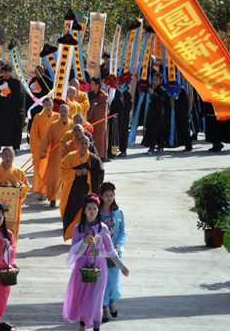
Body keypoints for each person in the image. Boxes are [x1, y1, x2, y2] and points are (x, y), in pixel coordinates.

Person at [63, 194, 129, 331]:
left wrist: (121, 266)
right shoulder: (78, 228)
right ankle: (83, 325)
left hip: (99, 267)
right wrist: (84, 242)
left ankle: (96, 326)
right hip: (82, 267)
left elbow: (110, 250)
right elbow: (74, 251)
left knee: (96, 298)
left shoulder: (103, 228)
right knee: (83, 296)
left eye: (94, 209)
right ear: (84, 211)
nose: (92, 211)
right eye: (89, 209)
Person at [60, 136, 104, 241]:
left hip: (87, 190)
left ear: (89, 145)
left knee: (84, 213)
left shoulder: (93, 159)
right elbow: (62, 170)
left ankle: (85, 236)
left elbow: (100, 175)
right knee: (72, 213)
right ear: (78, 144)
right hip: (73, 191)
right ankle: (73, 235)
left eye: (86, 143)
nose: (84, 145)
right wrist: (74, 173)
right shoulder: (70, 157)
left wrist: (88, 173)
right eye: (81, 143)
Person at [99, 182, 126, 323]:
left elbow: (122, 232)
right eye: (106, 195)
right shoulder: (97, 213)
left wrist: (118, 245)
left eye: (111, 195)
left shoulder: (118, 213)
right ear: (101, 197)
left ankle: (112, 302)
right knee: (102, 281)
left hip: (115, 253)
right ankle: (104, 308)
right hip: (100, 253)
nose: (109, 198)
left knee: (114, 281)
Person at [37, 104, 74, 208]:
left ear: (68, 113)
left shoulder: (72, 125)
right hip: (55, 154)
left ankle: (66, 199)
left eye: (64, 112)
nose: (62, 114)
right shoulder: (53, 125)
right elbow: (46, 139)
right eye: (61, 111)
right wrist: (42, 152)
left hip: (68, 154)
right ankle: (52, 198)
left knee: (66, 177)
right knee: (53, 176)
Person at [29, 98, 59, 200]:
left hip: (53, 148)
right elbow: (33, 134)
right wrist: (40, 147)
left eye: (50, 105)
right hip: (42, 148)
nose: (48, 107)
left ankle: (49, 191)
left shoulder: (57, 116)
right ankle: (41, 191)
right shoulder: (38, 117)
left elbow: (59, 133)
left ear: (53, 105)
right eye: (46, 105)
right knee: (40, 170)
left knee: (51, 172)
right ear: (43, 106)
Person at [0, 64, 23, 154]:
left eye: (7, 72)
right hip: (1, 109)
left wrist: (8, 94)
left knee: (15, 127)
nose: (5, 74)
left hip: (13, 110)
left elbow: (19, 96)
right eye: (3, 72)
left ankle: (16, 147)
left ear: (10, 72)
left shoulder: (16, 82)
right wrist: (0, 94)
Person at [141, 73, 167, 155]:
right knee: (151, 130)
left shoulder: (162, 90)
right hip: (151, 113)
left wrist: (153, 94)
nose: (154, 81)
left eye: (156, 80)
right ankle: (155, 146)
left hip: (158, 114)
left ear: (160, 81)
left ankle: (153, 147)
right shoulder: (151, 88)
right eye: (153, 79)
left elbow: (161, 102)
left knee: (156, 131)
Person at [163, 82, 192, 152]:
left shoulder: (181, 90)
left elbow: (184, 104)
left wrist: (175, 105)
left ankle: (188, 146)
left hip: (180, 113)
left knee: (183, 126)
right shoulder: (166, 89)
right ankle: (168, 143)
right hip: (169, 113)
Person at [26, 65, 53, 139]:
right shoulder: (33, 80)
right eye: (36, 71)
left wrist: (41, 92)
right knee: (32, 123)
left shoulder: (48, 81)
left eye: (39, 71)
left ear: (43, 71)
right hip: (34, 106)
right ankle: (31, 139)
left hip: (42, 106)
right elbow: (29, 92)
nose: (37, 73)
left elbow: (50, 93)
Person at [87, 77, 109, 161]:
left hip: (100, 121)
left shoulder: (103, 96)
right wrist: (93, 105)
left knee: (99, 139)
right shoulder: (90, 94)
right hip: (90, 120)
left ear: (97, 85)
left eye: (92, 84)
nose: (90, 85)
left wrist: (93, 106)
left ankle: (101, 156)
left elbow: (103, 109)